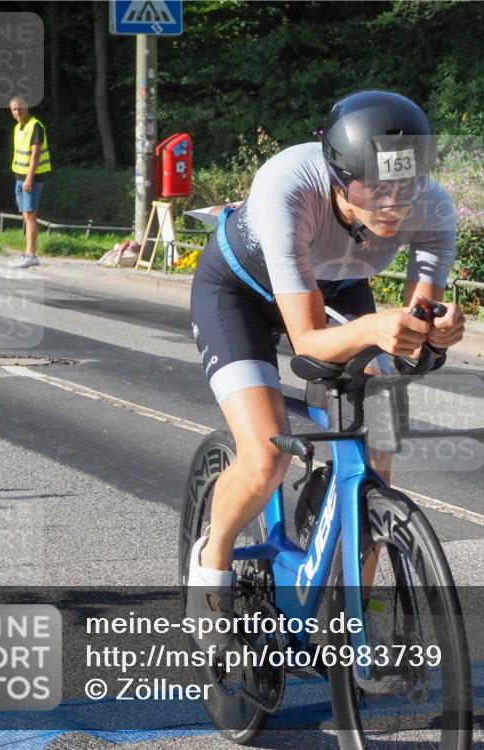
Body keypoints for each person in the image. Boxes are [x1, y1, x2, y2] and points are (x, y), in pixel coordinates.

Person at [186, 90, 465, 610]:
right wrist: (377, 330)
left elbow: (413, 327)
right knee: (267, 456)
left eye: (407, 186)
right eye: (375, 188)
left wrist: (434, 332)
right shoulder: (288, 184)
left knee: (378, 447)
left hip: (337, 289)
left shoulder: (434, 207)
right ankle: (212, 560)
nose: (394, 203)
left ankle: (353, 608)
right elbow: (309, 340)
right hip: (240, 295)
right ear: (339, 177)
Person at [8, 96, 50, 269]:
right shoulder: (18, 127)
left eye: (20, 108)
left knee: (31, 215)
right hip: (20, 177)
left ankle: (31, 255)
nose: (18, 112)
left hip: (31, 178)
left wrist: (29, 178)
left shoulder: (35, 126)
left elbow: (36, 155)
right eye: (14, 109)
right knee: (26, 215)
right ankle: (27, 253)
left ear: (27, 107)